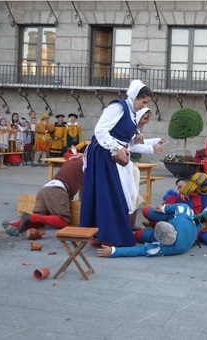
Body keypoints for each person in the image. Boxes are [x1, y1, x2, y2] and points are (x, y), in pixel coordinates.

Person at [80, 79, 153, 247]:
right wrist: (116, 147)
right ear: (135, 97)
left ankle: (105, 234)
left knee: (114, 194)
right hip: (103, 154)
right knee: (108, 195)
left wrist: (132, 140)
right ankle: (107, 236)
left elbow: (121, 134)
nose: (144, 106)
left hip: (114, 155)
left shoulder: (131, 112)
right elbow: (100, 131)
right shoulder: (118, 107)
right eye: (143, 102)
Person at [2, 151, 85, 236]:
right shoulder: (86, 164)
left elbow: (67, 154)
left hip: (45, 188)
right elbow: (85, 187)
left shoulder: (74, 159)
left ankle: (13, 225)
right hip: (57, 190)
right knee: (64, 221)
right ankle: (33, 217)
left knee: (39, 221)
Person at [96, 203, 201, 258]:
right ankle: (152, 223)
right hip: (175, 222)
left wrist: (114, 251)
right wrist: (164, 208)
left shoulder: (168, 248)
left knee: (137, 235)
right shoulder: (183, 218)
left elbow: (140, 251)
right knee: (147, 211)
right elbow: (183, 206)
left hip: (164, 231)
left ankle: (152, 225)